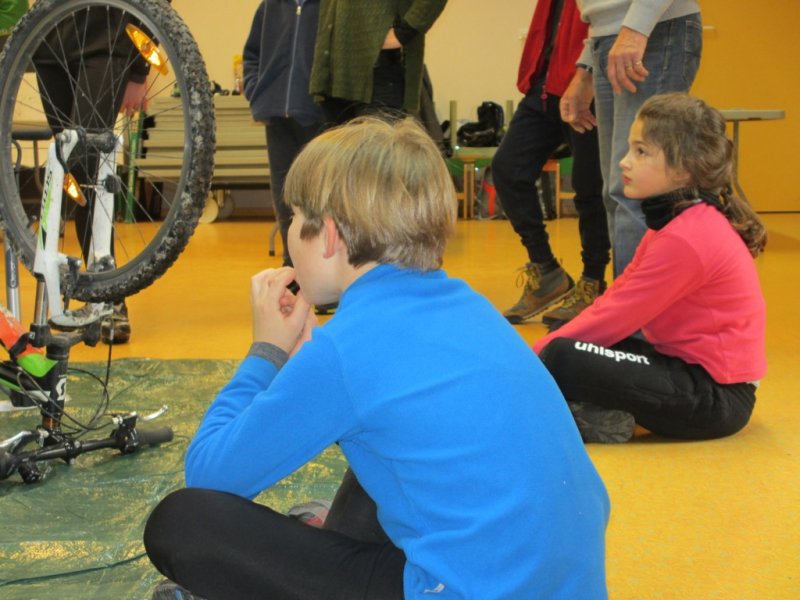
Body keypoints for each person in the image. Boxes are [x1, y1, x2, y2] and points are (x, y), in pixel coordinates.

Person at [143, 117, 610, 599]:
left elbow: (210, 476)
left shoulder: (347, 348)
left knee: (181, 522)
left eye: (293, 220)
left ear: (326, 237)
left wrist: (266, 352)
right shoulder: (467, 305)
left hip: (466, 588)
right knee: (387, 438)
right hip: (558, 582)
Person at [534, 93, 767, 444]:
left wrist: (525, 362)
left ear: (683, 169)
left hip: (715, 396)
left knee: (563, 355)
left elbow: (615, 315)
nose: (624, 162)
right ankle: (589, 413)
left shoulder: (688, 237)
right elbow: (615, 299)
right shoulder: (674, 223)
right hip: (679, 366)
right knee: (571, 340)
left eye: (641, 152)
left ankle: (570, 412)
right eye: (630, 149)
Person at [33, 6, 151, 344]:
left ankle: (108, 295)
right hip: (51, 40)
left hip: (108, 38)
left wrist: (139, 70)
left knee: (89, 164)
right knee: (69, 168)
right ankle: (80, 291)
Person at [560, 0, 702, 277]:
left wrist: (636, 27)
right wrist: (587, 66)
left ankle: (635, 315)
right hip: (609, 37)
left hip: (653, 29)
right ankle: (632, 310)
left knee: (635, 194)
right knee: (617, 193)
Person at [494, 0, 610, 327]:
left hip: (585, 87)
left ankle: (593, 281)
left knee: (589, 187)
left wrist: (585, 77)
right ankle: (546, 271)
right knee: (507, 169)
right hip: (543, 88)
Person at [242, 0, 326, 267]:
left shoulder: (330, 6)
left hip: (317, 115)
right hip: (276, 115)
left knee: (320, 199)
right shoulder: (269, 6)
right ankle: (292, 269)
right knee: (285, 198)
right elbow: (252, 54)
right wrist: (257, 90)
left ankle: (323, 273)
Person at [309, 0, 447, 123]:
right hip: (334, 72)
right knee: (341, 151)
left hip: (378, 71)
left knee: (377, 150)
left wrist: (404, 32)